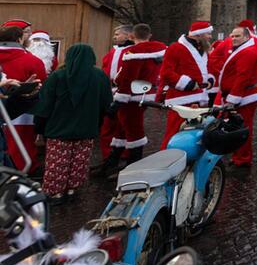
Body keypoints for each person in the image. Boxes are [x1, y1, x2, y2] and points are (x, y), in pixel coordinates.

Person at [33, 43, 112, 203]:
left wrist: (39, 126)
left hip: (58, 128)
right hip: (87, 127)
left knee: (58, 162)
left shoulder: (57, 76)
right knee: (79, 160)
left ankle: (55, 193)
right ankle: (71, 189)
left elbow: (45, 105)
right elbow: (107, 103)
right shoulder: (100, 76)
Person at [111, 23, 166, 164]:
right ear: (150, 35)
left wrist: (119, 98)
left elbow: (128, 77)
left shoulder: (133, 53)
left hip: (131, 96)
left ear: (131, 36)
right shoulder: (159, 50)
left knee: (133, 128)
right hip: (146, 92)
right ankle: (113, 160)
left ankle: (133, 163)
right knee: (123, 128)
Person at [158, 21, 215, 149]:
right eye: (208, 33)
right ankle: (167, 158)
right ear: (198, 34)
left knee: (195, 134)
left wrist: (210, 80)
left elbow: (206, 69)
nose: (210, 37)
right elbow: (166, 73)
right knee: (174, 133)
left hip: (200, 99)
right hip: (181, 100)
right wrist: (187, 84)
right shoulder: (175, 48)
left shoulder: (202, 50)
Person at [0, 23, 47, 172]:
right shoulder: (33, 60)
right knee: (21, 148)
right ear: (19, 39)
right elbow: (42, 85)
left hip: (9, 110)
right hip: (22, 113)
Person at [217, 26, 257, 167]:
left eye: (237, 36)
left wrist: (232, 99)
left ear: (246, 37)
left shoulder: (248, 52)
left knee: (242, 128)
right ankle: (239, 154)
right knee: (238, 127)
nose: (233, 39)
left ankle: (243, 158)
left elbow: (242, 76)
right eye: (232, 36)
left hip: (244, 97)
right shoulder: (242, 50)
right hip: (240, 96)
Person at [98, 25, 134, 166]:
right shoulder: (113, 51)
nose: (114, 37)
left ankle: (124, 155)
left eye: (118, 34)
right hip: (110, 91)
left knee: (123, 126)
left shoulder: (132, 52)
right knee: (107, 125)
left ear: (127, 36)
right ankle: (107, 156)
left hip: (124, 92)